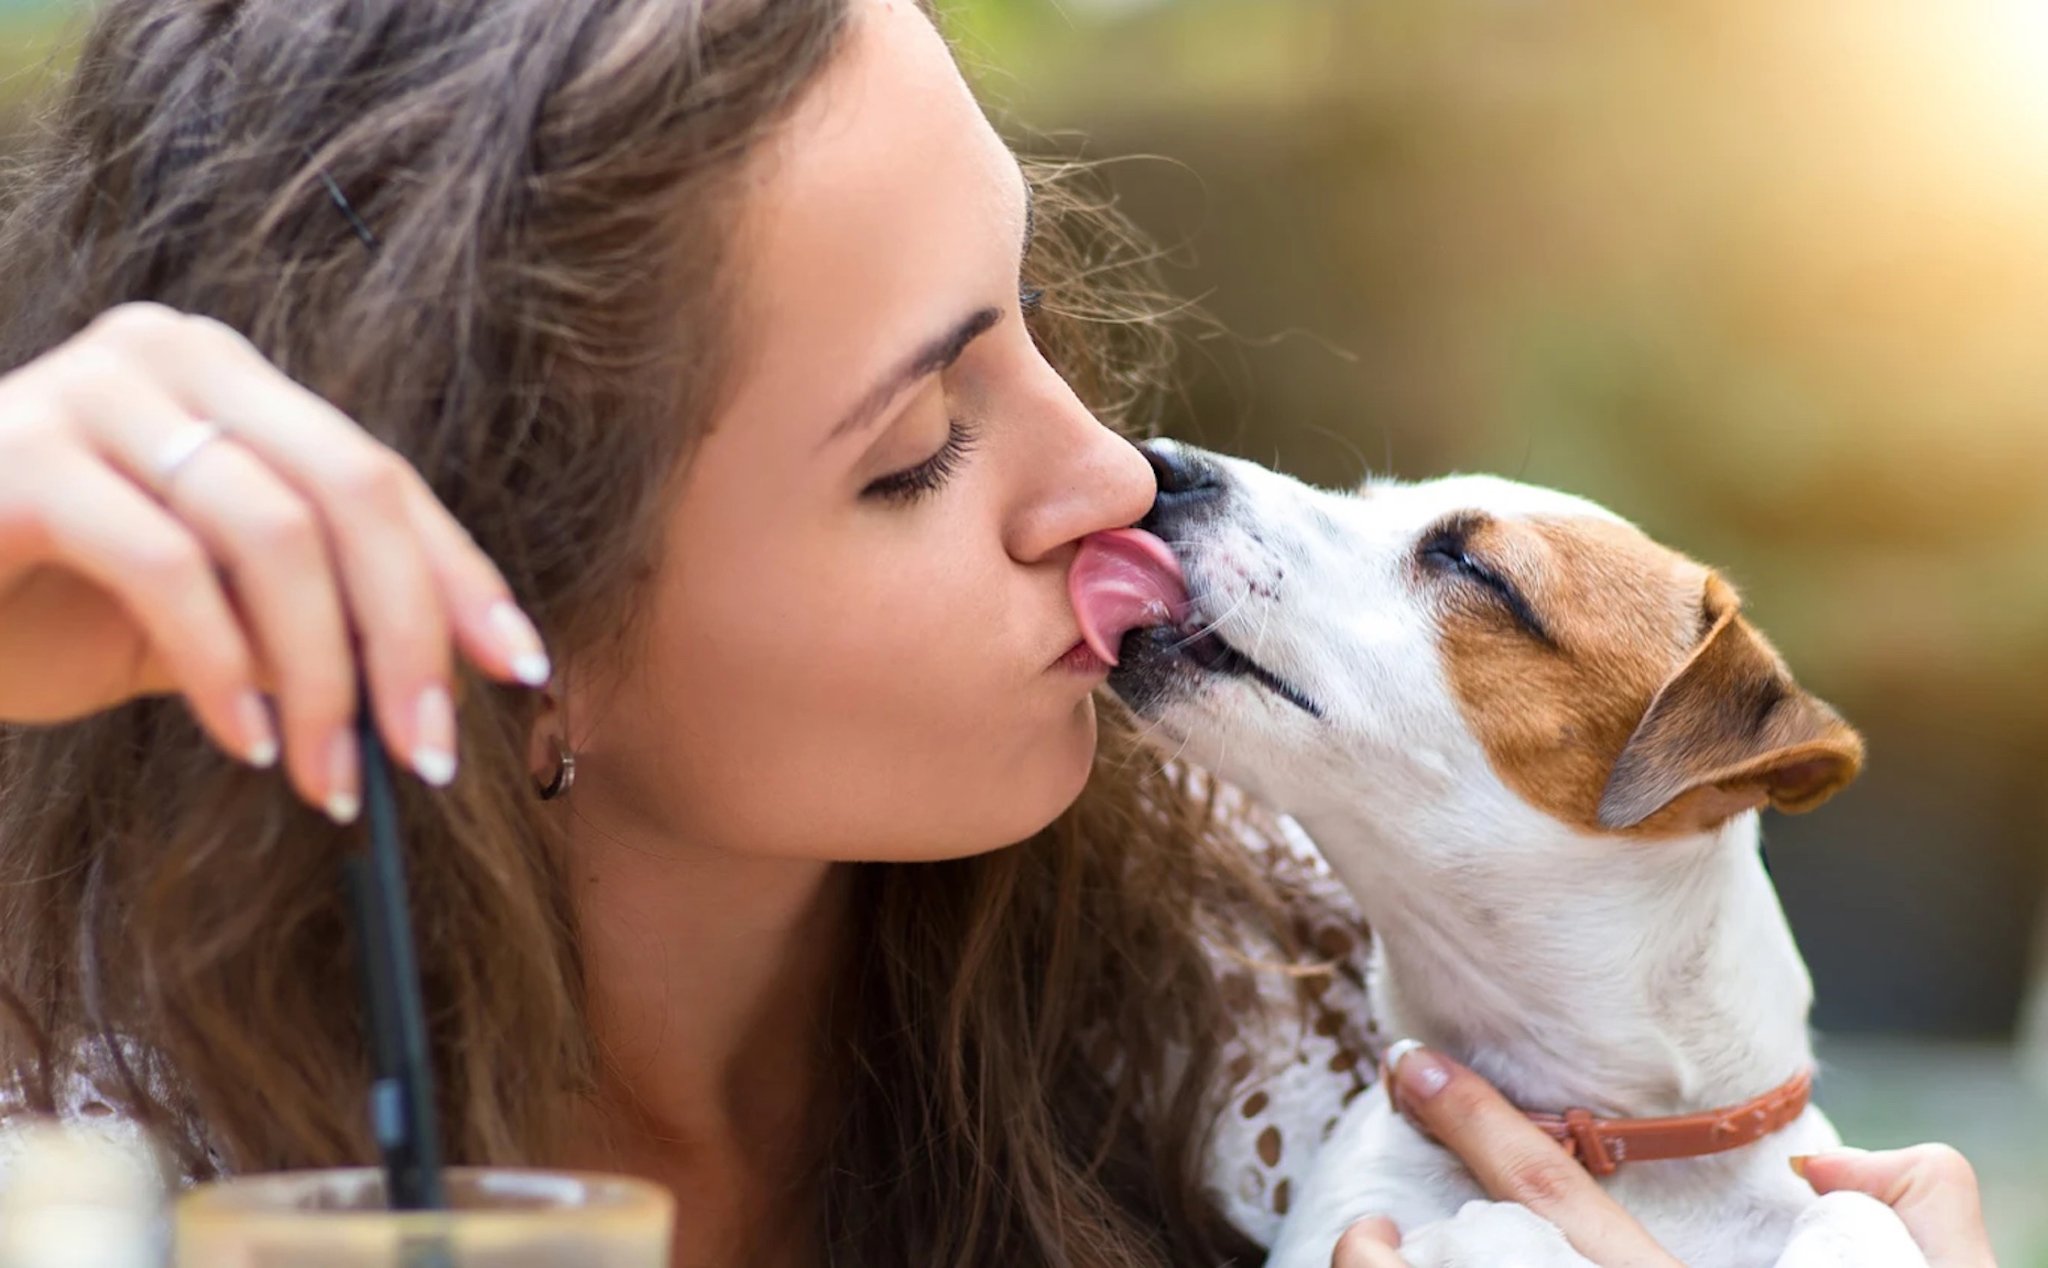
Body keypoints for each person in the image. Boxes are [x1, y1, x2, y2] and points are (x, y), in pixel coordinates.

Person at [0, 1, 1998, 1264]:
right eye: (913, 449)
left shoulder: (1288, 979)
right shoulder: (84, 1137)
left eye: (1033, 322)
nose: (1116, 478)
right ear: (503, 620)